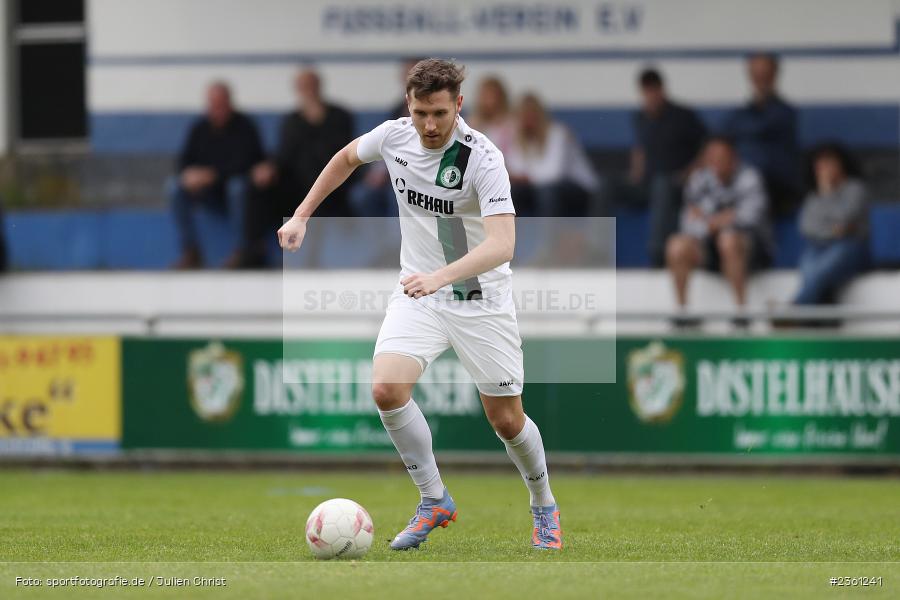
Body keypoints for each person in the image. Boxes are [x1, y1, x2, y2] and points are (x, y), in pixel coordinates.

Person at [278, 59, 561, 550]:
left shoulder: (484, 159)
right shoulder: (394, 136)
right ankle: (434, 499)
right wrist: (302, 216)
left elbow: (503, 244)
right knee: (386, 388)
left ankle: (543, 505)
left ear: (458, 105)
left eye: (438, 114)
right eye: (419, 113)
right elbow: (345, 158)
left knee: (506, 421)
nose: (428, 126)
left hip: (478, 298)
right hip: (419, 293)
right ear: (408, 105)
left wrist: (442, 276)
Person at [601, 68, 707, 266]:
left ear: (661, 90)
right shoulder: (640, 118)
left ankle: (657, 254)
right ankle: (597, 249)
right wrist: (635, 172)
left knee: (662, 182)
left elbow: (707, 148)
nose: (650, 97)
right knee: (606, 183)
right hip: (647, 184)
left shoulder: (684, 116)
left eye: (653, 91)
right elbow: (640, 148)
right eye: (646, 92)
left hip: (676, 184)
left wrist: (689, 173)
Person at [666, 136, 772, 326]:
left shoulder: (749, 177)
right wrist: (720, 220)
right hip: (708, 247)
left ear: (734, 158)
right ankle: (683, 313)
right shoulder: (699, 180)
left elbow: (751, 216)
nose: (716, 162)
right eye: (711, 157)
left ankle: (741, 312)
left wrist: (713, 221)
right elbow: (689, 223)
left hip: (750, 250)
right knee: (676, 245)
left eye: (722, 157)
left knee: (728, 239)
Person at [168, 81, 266, 269]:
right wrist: (190, 175)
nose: (217, 109)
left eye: (221, 104)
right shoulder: (199, 128)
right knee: (174, 187)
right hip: (207, 193)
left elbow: (249, 164)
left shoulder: (245, 126)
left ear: (230, 102)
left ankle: (242, 251)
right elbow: (184, 161)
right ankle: (191, 251)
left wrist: (214, 174)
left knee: (236, 187)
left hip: (239, 193)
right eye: (213, 104)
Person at [253, 69, 355, 223]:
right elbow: (284, 154)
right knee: (257, 189)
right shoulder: (292, 121)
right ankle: (255, 244)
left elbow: (342, 150)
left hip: (335, 178)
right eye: (303, 87)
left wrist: (317, 118)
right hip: (298, 182)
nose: (308, 91)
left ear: (319, 86)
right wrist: (269, 167)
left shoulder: (339, 115)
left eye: (311, 86)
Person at [723, 53, 800, 215]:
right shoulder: (740, 114)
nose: (761, 79)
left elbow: (759, 128)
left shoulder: (786, 113)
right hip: (741, 186)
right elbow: (723, 136)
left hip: (776, 188)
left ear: (775, 75)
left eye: (765, 74)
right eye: (756, 74)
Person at [793, 143, 869, 305]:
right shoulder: (813, 196)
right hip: (818, 247)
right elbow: (806, 228)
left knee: (823, 267)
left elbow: (844, 219)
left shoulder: (855, 189)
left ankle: (794, 310)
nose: (824, 169)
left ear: (840, 164)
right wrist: (831, 230)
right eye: (820, 166)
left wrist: (828, 194)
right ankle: (812, 317)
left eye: (828, 163)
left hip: (851, 247)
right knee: (809, 266)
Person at [506, 93, 599, 217]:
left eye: (530, 114)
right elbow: (515, 168)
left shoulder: (558, 133)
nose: (527, 120)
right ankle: (507, 235)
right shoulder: (519, 138)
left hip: (579, 189)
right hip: (539, 189)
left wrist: (526, 177)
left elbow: (555, 173)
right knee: (512, 191)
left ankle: (548, 235)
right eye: (522, 115)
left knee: (547, 192)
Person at [349, 59, 421, 218]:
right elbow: (385, 143)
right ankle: (378, 242)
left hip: (420, 174)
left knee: (397, 194)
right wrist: (376, 172)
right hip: (390, 171)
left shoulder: (437, 108)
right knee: (361, 195)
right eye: (407, 75)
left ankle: (402, 241)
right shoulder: (396, 110)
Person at [467, 76, 516, 157]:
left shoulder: (511, 125)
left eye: (492, 96)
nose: (489, 102)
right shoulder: (473, 125)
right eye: (485, 96)